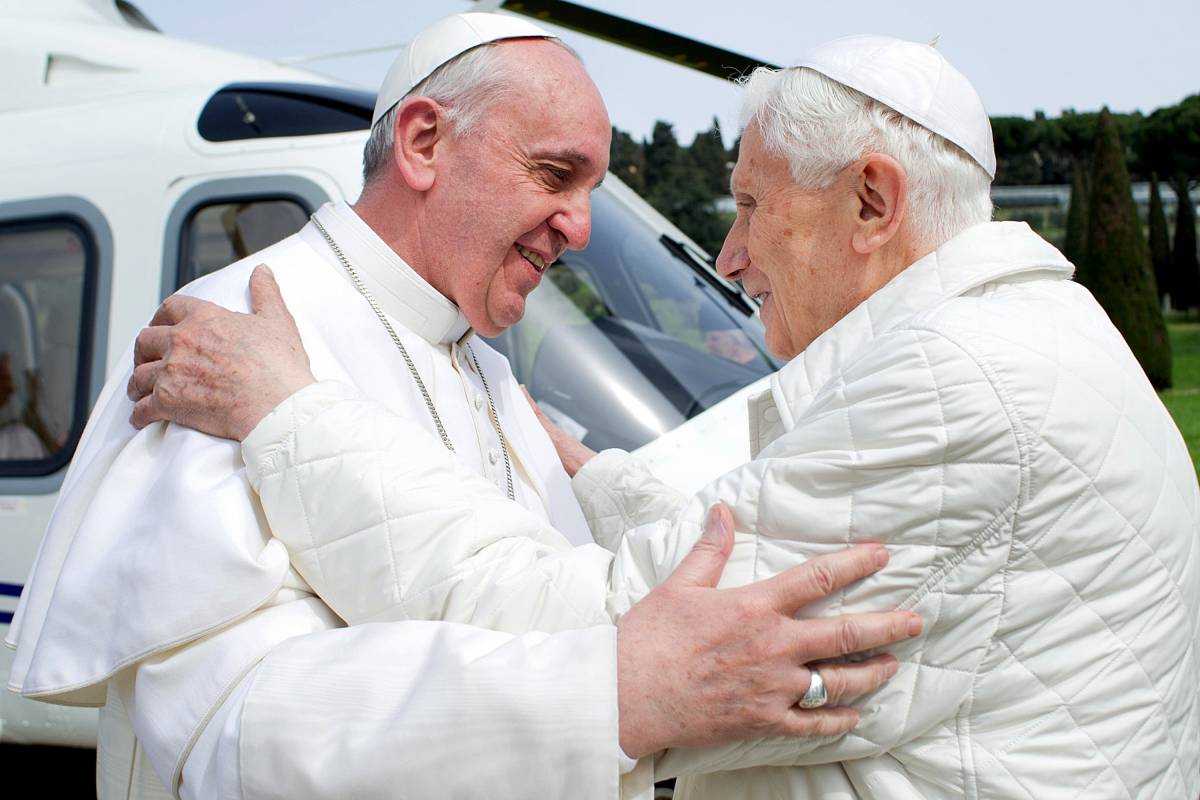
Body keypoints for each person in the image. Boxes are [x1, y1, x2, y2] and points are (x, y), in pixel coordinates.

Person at [125, 34, 1200, 798]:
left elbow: (603, 635)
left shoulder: (960, 388)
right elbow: (741, 544)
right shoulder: (1032, 338)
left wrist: (290, 415)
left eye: (749, 204)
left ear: (872, 203)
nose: (729, 256)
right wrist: (587, 472)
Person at [6, 15, 919, 800]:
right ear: (423, 143)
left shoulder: (481, 361)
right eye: (555, 175)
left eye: (590, 191)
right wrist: (610, 697)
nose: (580, 226)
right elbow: (228, 733)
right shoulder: (230, 339)